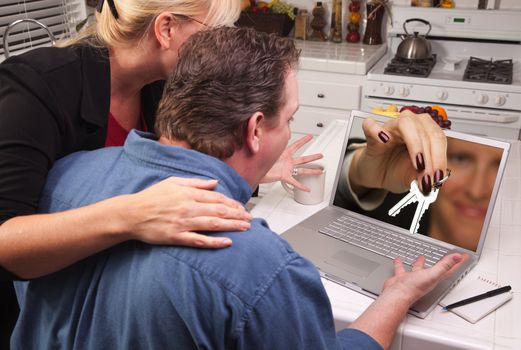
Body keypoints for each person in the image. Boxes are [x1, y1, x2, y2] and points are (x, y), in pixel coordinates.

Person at [12, 27, 467, 350]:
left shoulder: (64, 177)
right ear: (254, 130)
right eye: (289, 119)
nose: (290, 130)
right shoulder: (261, 268)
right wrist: (397, 296)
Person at [0, 0, 322, 344]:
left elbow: (178, 159)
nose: (221, 45)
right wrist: (132, 214)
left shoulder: (161, 84)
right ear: (166, 28)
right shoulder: (36, 88)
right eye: (213, 32)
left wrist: (255, 166)